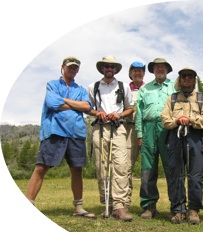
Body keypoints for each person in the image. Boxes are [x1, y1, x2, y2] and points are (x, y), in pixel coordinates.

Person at [26, 56, 96, 219]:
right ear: (63, 67)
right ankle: (28, 203)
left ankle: (78, 207)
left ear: (77, 70)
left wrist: (63, 101)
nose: (72, 70)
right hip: (55, 131)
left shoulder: (80, 89)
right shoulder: (52, 85)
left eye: (75, 68)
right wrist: (75, 104)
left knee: (77, 169)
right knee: (41, 167)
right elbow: (52, 104)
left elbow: (87, 106)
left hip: (76, 133)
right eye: (69, 67)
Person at [161, 67, 203, 224]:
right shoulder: (172, 99)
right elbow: (165, 119)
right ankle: (178, 210)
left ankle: (194, 210)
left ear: (194, 80)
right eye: (184, 76)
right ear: (180, 79)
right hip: (175, 137)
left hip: (195, 137)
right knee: (176, 174)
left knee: (196, 175)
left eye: (190, 76)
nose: (187, 79)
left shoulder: (202, 99)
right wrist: (177, 120)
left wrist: (190, 119)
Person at [87, 55, 133, 221]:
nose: (109, 69)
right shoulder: (93, 86)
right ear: (102, 68)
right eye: (106, 66)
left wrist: (118, 114)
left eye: (112, 66)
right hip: (100, 128)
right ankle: (108, 203)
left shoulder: (123, 86)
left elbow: (130, 109)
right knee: (102, 166)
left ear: (115, 69)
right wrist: (97, 113)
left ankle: (120, 206)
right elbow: (88, 108)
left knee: (120, 165)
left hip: (118, 128)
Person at [135, 58, 175, 219]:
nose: (160, 69)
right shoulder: (144, 89)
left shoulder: (174, 86)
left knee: (172, 167)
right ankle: (149, 205)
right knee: (148, 168)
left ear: (167, 69)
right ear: (153, 70)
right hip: (148, 128)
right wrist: (139, 134)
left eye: (162, 66)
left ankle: (176, 205)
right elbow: (138, 112)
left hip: (168, 129)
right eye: (157, 67)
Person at [125, 61, 146, 212]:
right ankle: (124, 201)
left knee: (147, 167)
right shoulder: (125, 89)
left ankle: (148, 204)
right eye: (135, 71)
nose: (138, 73)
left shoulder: (148, 89)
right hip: (128, 129)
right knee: (126, 167)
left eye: (140, 71)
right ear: (130, 73)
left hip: (147, 130)